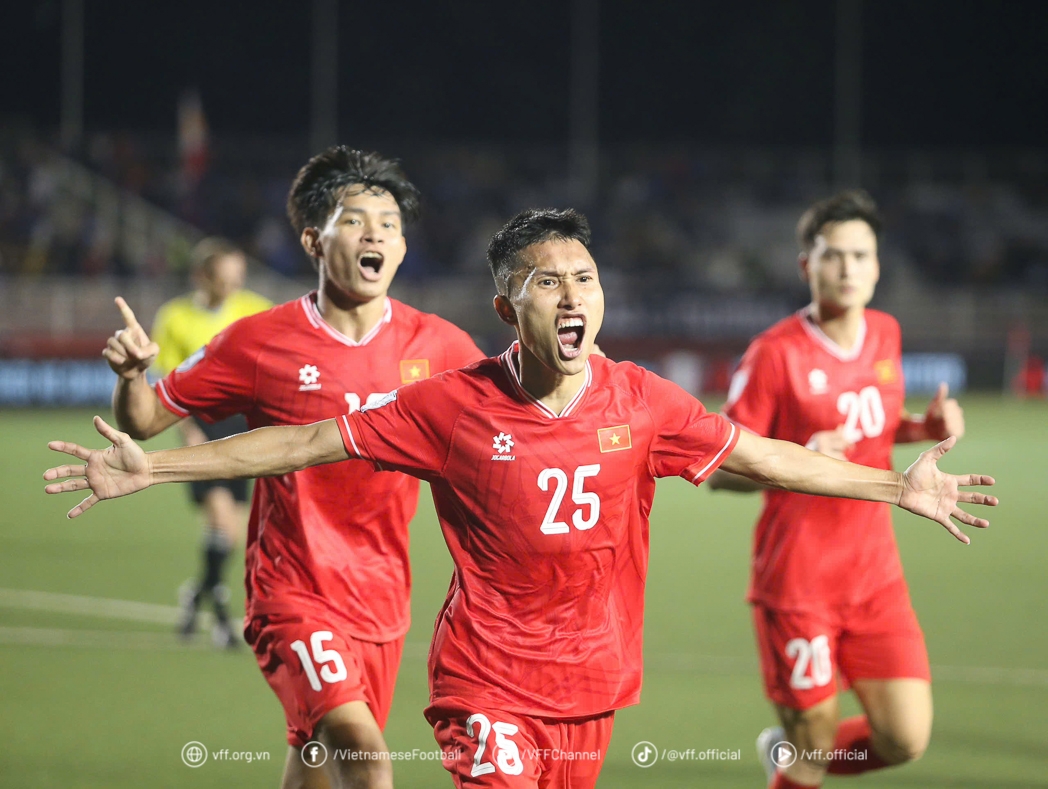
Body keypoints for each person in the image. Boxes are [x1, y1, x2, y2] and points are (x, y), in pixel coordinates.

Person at [45, 208, 996, 789]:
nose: (573, 294)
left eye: (585, 277)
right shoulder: (451, 405)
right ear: (509, 309)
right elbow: (303, 440)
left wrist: (895, 483)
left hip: (592, 684)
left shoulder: (643, 401)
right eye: (549, 282)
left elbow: (774, 458)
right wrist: (153, 466)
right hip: (486, 683)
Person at [98, 146, 484, 789]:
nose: (376, 235)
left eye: (390, 225)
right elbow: (145, 419)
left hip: (383, 598)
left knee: (314, 764)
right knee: (364, 758)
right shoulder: (260, 341)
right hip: (292, 589)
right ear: (314, 239)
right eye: (357, 221)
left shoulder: (440, 346)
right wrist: (134, 376)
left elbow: (513, 426)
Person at [708, 190, 968, 789]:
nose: (848, 268)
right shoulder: (774, 355)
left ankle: (792, 755)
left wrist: (923, 429)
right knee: (812, 750)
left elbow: (871, 432)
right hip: (798, 583)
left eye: (861, 255)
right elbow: (721, 468)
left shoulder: (885, 334)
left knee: (905, 738)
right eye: (833, 255)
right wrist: (796, 457)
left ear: (878, 266)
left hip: (875, 577)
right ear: (807, 264)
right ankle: (795, 759)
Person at [108, 238, 272, 648]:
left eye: (238, 277)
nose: (232, 286)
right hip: (201, 424)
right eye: (224, 277)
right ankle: (219, 615)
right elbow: (167, 382)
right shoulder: (176, 317)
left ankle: (195, 595)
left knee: (230, 531)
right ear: (202, 276)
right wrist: (188, 430)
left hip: (243, 426)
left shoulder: (256, 308)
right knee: (221, 520)